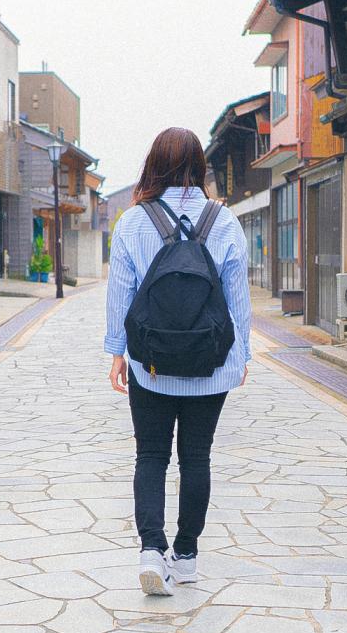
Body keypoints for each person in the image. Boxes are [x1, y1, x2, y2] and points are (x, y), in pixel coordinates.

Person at [104, 127, 252, 595]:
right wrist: (242, 354)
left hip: (150, 363)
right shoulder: (224, 222)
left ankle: (152, 550)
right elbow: (238, 298)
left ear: (153, 164)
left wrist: (116, 352)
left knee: (150, 455)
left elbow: (121, 292)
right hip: (211, 362)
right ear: (199, 166)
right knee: (196, 457)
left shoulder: (132, 222)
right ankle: (185, 556)